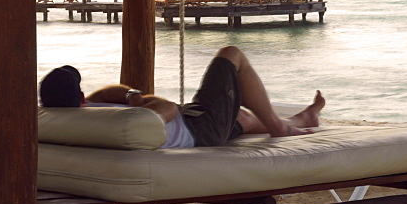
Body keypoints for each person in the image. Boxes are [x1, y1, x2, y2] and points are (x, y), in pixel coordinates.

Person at [39, 45, 325, 150]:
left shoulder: (71, 116)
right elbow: (164, 109)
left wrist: (130, 94)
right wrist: (141, 102)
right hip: (196, 129)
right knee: (232, 55)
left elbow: (104, 93)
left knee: (240, 118)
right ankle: (279, 129)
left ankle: (302, 118)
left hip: (195, 125)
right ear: (78, 96)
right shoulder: (113, 119)